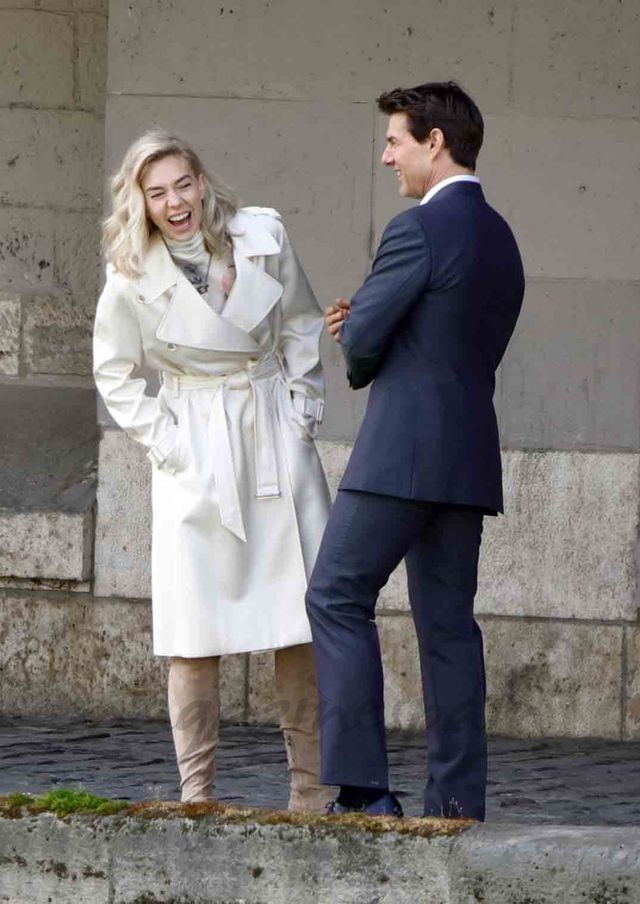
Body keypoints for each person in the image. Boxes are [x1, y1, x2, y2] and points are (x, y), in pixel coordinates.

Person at [94, 130, 332, 812]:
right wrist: (168, 443)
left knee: (299, 618)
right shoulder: (132, 274)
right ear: (140, 201)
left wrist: (301, 408)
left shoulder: (263, 236)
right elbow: (113, 372)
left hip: (271, 435)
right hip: (195, 445)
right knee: (193, 626)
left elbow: (302, 322)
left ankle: (310, 791)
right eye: (157, 191)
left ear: (202, 181)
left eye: (182, 184)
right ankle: (196, 794)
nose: (175, 203)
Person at [306, 82, 524, 821]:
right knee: (449, 627)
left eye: (397, 139)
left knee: (334, 594)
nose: (387, 153)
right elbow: (450, 339)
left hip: (400, 454)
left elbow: (366, 342)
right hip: (466, 461)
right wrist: (370, 317)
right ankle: (458, 802)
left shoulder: (416, 228)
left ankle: (365, 792)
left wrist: (357, 328)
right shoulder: (502, 237)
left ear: (436, 142)